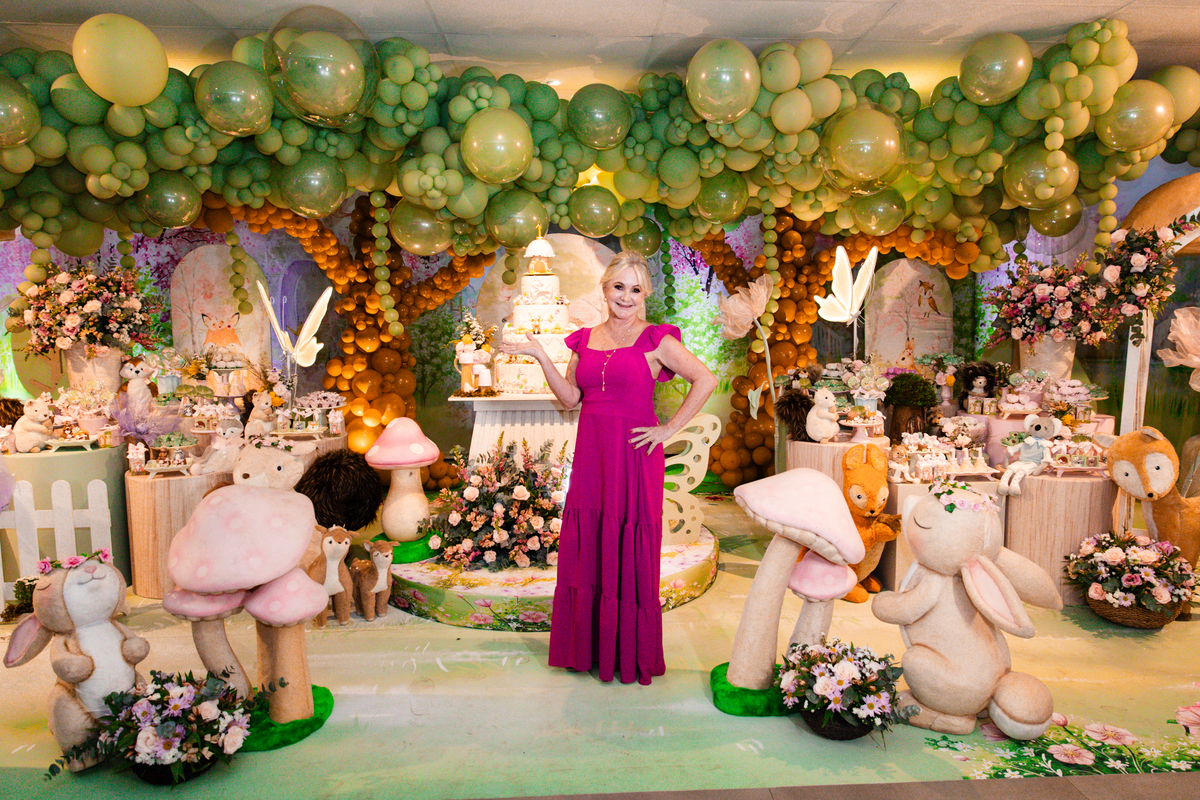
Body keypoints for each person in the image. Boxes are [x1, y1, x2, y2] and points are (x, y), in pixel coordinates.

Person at [500, 251, 716, 685]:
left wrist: (668, 429)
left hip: (633, 457)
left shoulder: (656, 340)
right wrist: (540, 355)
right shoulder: (583, 339)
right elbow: (570, 399)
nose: (626, 297)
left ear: (645, 295)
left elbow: (705, 379)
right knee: (591, 545)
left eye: (636, 289)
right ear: (605, 289)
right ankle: (588, 648)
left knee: (628, 545)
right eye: (619, 287)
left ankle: (627, 651)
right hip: (593, 457)